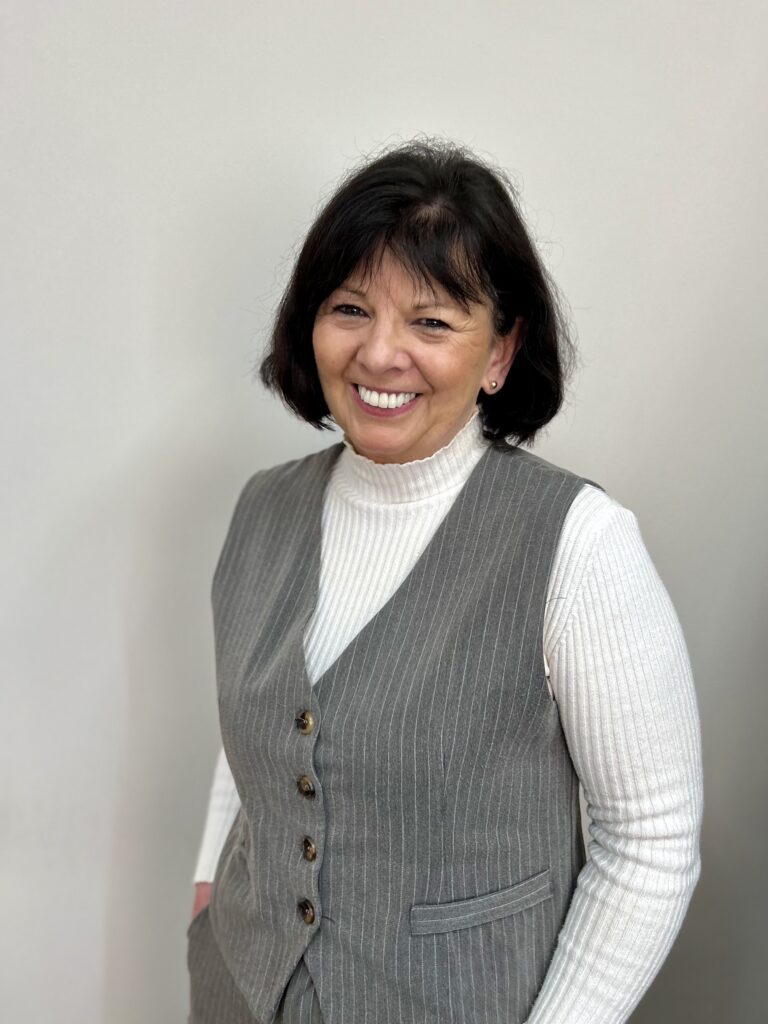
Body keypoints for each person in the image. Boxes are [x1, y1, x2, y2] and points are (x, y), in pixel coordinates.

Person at [186, 138, 703, 1024]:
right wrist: (208, 890)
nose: (381, 353)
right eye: (351, 309)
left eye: (431, 322)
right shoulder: (261, 509)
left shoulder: (579, 545)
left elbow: (651, 837)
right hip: (238, 991)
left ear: (500, 351)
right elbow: (261, 741)